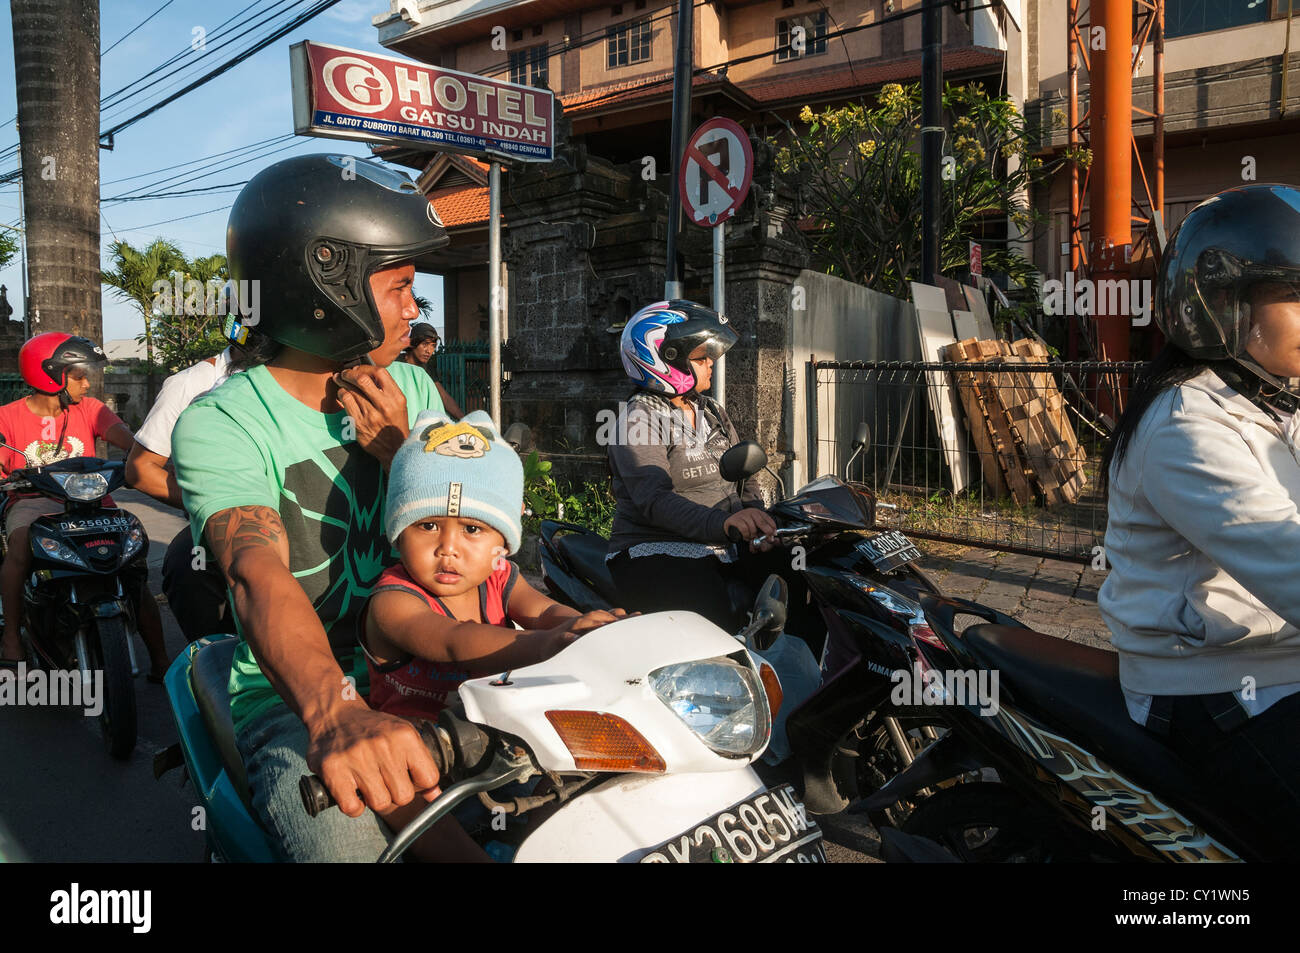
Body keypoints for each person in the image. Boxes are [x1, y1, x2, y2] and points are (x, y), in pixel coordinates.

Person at [170, 153, 453, 862]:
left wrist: (401, 452)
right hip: (292, 703)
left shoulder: (412, 392)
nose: (414, 309)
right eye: (399, 288)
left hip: (425, 664)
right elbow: (253, 572)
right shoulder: (223, 421)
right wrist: (335, 712)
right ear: (324, 286)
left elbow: (478, 530)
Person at [1097, 183, 1300, 859]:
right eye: (1297, 296)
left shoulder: (1275, 404)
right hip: (1213, 689)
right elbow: (1289, 561)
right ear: (1224, 307)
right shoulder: (1186, 424)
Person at [361, 409, 628, 857]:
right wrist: (547, 644)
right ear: (397, 531)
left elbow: (544, 612)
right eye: (427, 525)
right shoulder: (393, 601)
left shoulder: (499, 577)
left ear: (500, 543)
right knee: (398, 790)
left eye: (472, 529)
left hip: (500, 739)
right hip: (428, 756)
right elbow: (454, 642)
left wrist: (587, 628)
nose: (448, 547)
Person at [604, 300, 785, 633]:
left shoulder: (712, 411)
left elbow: (746, 472)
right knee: (712, 619)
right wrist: (726, 522)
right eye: (701, 358)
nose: (711, 365)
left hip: (719, 540)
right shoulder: (637, 421)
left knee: (796, 577)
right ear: (665, 360)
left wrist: (757, 519)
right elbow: (655, 501)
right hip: (652, 549)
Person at [0, 332, 168, 679]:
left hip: (93, 504)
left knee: (132, 565)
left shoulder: (92, 409)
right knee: (19, 543)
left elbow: (130, 442)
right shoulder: (7, 417)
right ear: (51, 374)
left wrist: (147, 456)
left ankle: (162, 658)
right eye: (79, 376)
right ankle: (11, 637)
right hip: (34, 503)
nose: (87, 384)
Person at [125, 344, 238, 643]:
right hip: (221, 521)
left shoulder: (309, 371)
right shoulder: (191, 383)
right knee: (187, 561)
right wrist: (211, 504)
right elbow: (141, 469)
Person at [401, 322, 464, 420]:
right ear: (413, 343)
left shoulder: (426, 369)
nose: (429, 350)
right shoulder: (395, 363)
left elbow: (444, 397)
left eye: (433, 345)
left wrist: (464, 419)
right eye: (425, 344)